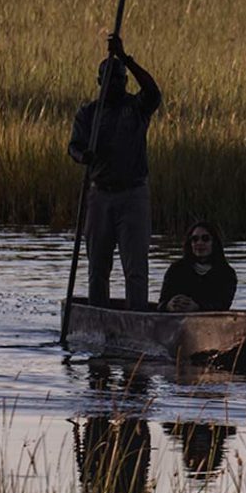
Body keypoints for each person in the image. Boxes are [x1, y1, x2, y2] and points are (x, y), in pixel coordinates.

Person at [67, 33, 161, 310]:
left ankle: (137, 318)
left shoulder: (137, 107)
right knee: (97, 268)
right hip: (100, 196)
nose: (114, 84)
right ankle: (98, 315)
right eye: (108, 79)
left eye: (119, 79)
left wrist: (125, 58)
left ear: (125, 81)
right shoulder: (89, 113)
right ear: (99, 83)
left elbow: (154, 92)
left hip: (133, 195)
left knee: (135, 268)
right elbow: (73, 146)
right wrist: (84, 156)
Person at [159, 222, 237, 312]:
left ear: (214, 242)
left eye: (205, 239)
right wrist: (169, 305)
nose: (199, 243)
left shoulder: (226, 273)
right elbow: (161, 303)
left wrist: (197, 307)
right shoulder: (176, 269)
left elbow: (223, 304)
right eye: (195, 239)